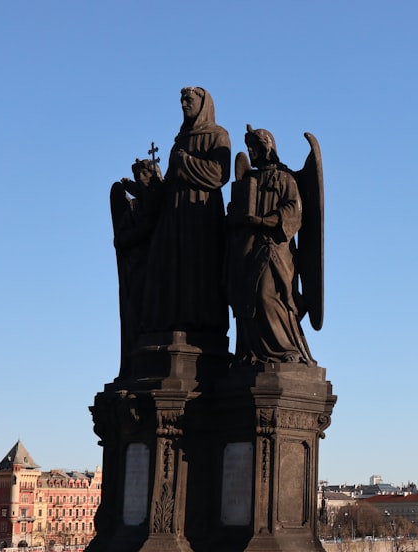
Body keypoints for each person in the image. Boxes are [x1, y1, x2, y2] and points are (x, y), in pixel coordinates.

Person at [141, 86, 231, 335]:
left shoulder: (218, 135)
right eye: (181, 100)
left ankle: (201, 325)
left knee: (199, 266)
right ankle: (174, 320)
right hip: (175, 213)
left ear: (202, 104)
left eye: (188, 100)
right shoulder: (179, 141)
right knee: (172, 265)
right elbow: (171, 179)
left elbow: (220, 174)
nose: (183, 105)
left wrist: (186, 162)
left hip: (201, 212)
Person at [225, 125, 313, 364]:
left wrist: (262, 221)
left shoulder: (285, 178)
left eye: (255, 147)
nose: (251, 152)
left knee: (267, 295)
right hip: (248, 248)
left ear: (268, 147)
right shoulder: (249, 179)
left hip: (275, 248)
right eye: (249, 148)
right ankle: (251, 352)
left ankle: (284, 349)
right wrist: (236, 215)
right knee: (248, 298)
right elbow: (234, 212)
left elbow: (293, 212)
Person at [109, 158, 162, 378]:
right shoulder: (133, 208)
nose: (140, 179)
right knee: (135, 315)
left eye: (145, 174)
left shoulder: (160, 205)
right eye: (138, 174)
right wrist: (135, 235)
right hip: (136, 269)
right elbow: (120, 239)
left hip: (156, 270)